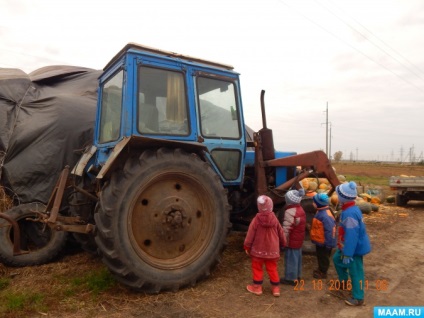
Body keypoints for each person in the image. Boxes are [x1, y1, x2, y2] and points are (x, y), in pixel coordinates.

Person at [333, 181, 371, 306]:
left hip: (354, 249)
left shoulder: (350, 214)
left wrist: (348, 254)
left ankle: (358, 297)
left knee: (356, 272)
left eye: (338, 194)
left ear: (343, 197)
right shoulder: (349, 209)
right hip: (347, 247)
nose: (336, 196)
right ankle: (344, 283)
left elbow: (352, 236)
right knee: (337, 259)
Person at [244, 195, 286, 297]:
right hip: (272, 250)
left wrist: (247, 246)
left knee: (257, 267)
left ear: (259, 207)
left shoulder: (256, 220)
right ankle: (276, 289)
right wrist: (284, 243)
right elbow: (281, 232)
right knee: (272, 268)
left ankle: (257, 288)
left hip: (258, 250)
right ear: (271, 206)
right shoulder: (275, 219)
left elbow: (250, 234)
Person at [280, 188, 306, 286]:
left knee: (291, 259)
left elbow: (287, 228)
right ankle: (297, 275)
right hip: (298, 239)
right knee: (297, 258)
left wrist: (283, 240)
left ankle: (290, 278)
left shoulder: (290, 212)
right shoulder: (300, 209)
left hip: (292, 240)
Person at [310, 193, 337, 279]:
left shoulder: (325, 216)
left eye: (314, 202)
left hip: (324, 242)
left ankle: (323, 272)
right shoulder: (321, 211)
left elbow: (330, 231)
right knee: (320, 256)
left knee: (323, 257)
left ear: (318, 203)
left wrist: (329, 244)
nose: (312, 204)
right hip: (320, 240)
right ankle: (320, 268)